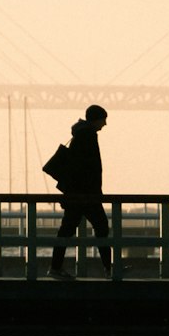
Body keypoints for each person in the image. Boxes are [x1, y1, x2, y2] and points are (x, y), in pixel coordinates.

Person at [48, 104, 112, 280]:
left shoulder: (81, 134)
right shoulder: (88, 136)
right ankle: (109, 269)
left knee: (67, 230)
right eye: (103, 119)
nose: (105, 123)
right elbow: (88, 168)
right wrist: (94, 192)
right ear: (96, 119)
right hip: (85, 194)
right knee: (101, 228)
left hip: (77, 194)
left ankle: (55, 267)